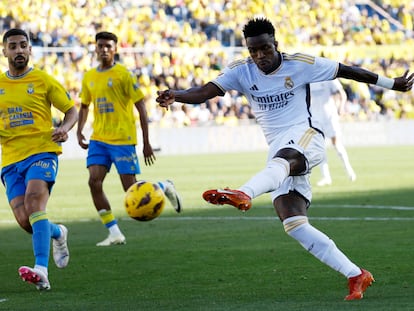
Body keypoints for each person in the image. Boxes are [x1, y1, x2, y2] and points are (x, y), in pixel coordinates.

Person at [156, 17, 413, 300]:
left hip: (306, 135)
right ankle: (356, 274)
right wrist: (176, 95)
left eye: (265, 49)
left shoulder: (300, 63)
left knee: (284, 159)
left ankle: (243, 192)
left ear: (275, 44)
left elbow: (346, 70)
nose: (259, 56)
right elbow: (205, 91)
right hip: (278, 150)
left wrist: (393, 83)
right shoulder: (241, 71)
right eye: (253, 51)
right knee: (294, 224)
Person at [77, 31, 182, 247]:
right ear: (95, 48)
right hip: (99, 139)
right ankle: (114, 232)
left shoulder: (124, 74)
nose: (104, 49)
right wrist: (79, 131)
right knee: (94, 181)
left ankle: (164, 186)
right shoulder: (89, 77)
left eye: (108, 46)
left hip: (123, 139)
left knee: (131, 191)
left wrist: (146, 142)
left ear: (115, 49)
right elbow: (85, 106)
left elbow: (141, 106)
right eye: (101, 45)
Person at [0, 29, 78, 290]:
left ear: (30, 49)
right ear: (5, 51)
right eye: (13, 46)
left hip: (42, 151)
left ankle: (41, 270)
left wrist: (65, 129)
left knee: (35, 202)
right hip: (11, 159)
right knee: (25, 220)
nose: (19, 50)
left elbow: (71, 110)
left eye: (23, 45)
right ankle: (57, 232)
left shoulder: (43, 80)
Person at [310, 79, 356, 186]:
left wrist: (341, 107)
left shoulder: (329, 77)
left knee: (337, 144)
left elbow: (342, 94)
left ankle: (349, 170)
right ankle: (326, 177)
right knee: (319, 148)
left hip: (330, 116)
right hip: (315, 118)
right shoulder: (309, 77)